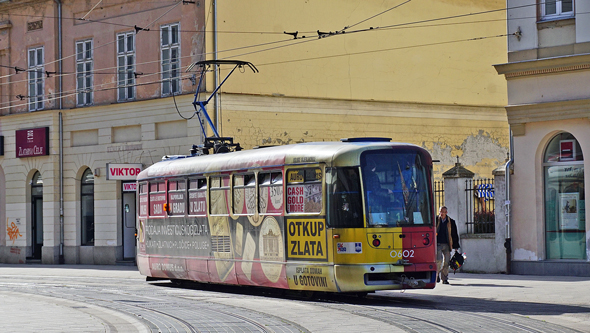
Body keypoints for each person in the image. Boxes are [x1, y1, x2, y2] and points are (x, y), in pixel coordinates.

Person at [436, 206, 460, 284]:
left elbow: (454, 234)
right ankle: (436, 276)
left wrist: (456, 246)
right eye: (440, 212)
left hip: (447, 244)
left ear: (446, 212)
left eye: (443, 212)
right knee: (438, 261)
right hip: (438, 244)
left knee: (446, 262)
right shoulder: (435, 220)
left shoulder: (451, 222)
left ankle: (444, 278)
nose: (441, 213)